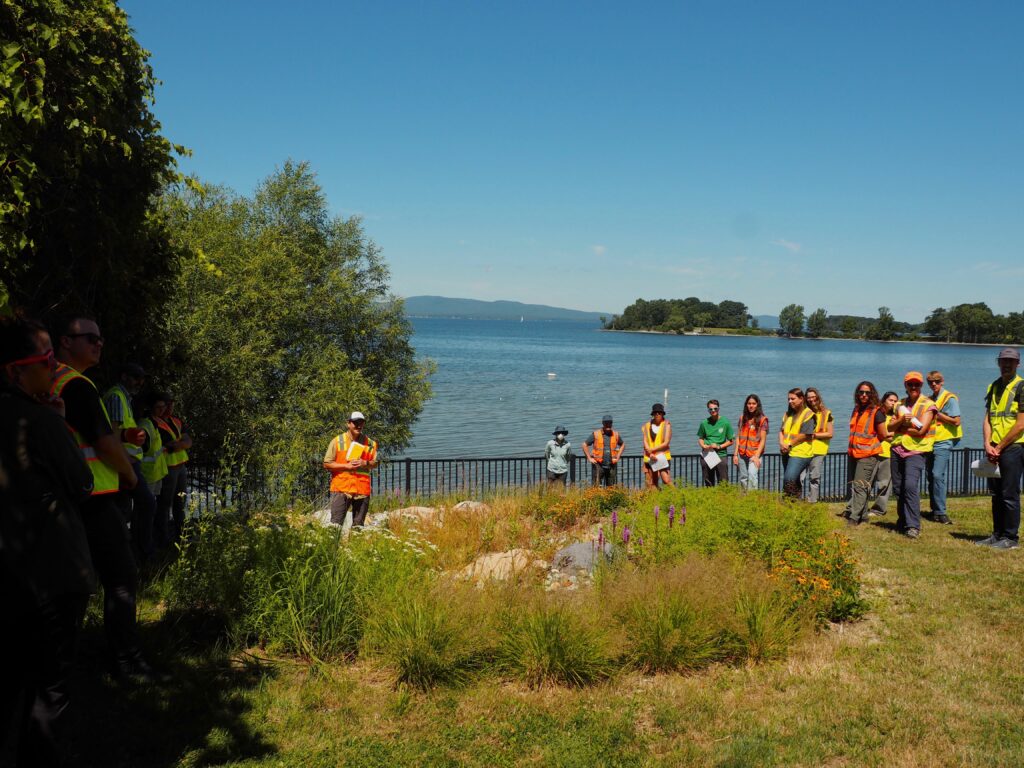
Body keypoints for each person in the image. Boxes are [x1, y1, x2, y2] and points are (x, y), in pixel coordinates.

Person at [0, 315, 96, 766]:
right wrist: (57, 423)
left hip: (10, 572)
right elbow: (82, 483)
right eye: (46, 359)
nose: (54, 366)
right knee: (49, 688)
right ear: (13, 371)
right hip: (53, 573)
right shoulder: (39, 421)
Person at [52, 316, 157, 681]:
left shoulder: (51, 380)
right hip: (93, 497)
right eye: (90, 338)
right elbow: (103, 441)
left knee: (74, 584)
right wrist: (129, 474)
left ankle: (63, 667)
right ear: (66, 341)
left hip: (69, 496)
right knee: (121, 576)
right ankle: (126, 661)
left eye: (100, 339)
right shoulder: (76, 385)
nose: (99, 344)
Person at [104, 363, 155, 560]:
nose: (140, 382)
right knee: (146, 503)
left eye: (142, 379)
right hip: (124, 464)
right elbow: (113, 437)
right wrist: (126, 468)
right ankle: (143, 552)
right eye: (136, 377)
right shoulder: (116, 397)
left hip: (126, 462)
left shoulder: (124, 397)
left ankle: (128, 554)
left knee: (124, 509)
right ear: (124, 376)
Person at [977, 348, 1024, 550]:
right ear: (998, 363)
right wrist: (987, 444)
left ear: (1017, 364)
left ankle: (1010, 537)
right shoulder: (994, 386)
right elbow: (988, 418)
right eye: (1003, 361)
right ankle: (997, 534)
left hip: (1014, 447)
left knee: (1009, 493)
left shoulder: (1021, 386)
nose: (1006, 364)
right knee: (996, 494)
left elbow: (1021, 424)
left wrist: (999, 446)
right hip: (994, 447)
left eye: (1010, 361)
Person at [889, 371, 937, 540]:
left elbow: (921, 430)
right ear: (906, 385)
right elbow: (889, 427)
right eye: (910, 384)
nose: (913, 387)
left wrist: (900, 427)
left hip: (916, 451)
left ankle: (913, 526)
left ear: (921, 385)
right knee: (898, 488)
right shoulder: (899, 404)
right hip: (897, 449)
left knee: (909, 486)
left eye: (916, 384)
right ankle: (902, 521)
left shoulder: (928, 404)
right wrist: (901, 422)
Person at [323, 411, 380, 527]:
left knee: (358, 526)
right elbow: (327, 464)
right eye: (355, 423)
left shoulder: (370, 443)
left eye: (361, 422)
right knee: (335, 525)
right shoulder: (337, 441)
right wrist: (346, 466)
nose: (359, 425)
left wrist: (365, 463)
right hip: (341, 489)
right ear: (348, 424)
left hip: (362, 490)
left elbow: (375, 463)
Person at [845, 381, 888, 525]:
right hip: (854, 453)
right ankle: (863, 515)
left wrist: (869, 446)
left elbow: (883, 435)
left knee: (860, 486)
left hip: (868, 455)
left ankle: (854, 517)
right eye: (861, 392)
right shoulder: (857, 409)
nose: (864, 395)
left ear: (872, 394)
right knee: (857, 485)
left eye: (867, 393)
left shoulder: (877, 412)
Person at [925, 370, 961, 525]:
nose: (934, 384)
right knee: (931, 476)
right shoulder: (929, 399)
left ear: (942, 381)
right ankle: (935, 510)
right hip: (931, 441)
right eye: (930, 382)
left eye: (937, 381)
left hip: (944, 441)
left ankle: (941, 512)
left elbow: (957, 421)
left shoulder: (949, 398)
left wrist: (938, 415)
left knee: (937, 475)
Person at [158, 395, 193, 543]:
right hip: (167, 467)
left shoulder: (176, 421)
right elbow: (167, 445)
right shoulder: (154, 422)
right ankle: (163, 537)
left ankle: (182, 535)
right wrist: (181, 444)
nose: (170, 407)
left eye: (172, 404)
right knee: (165, 503)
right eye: (168, 404)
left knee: (180, 501)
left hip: (180, 465)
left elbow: (188, 440)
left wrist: (179, 445)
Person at [779, 388, 815, 498]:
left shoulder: (808, 414)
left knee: (789, 478)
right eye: (788, 399)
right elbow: (781, 431)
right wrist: (782, 443)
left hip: (801, 453)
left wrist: (789, 444)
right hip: (786, 451)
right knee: (793, 479)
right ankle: (795, 502)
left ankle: (788, 501)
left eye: (793, 399)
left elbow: (805, 435)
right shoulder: (787, 414)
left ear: (801, 399)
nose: (790, 401)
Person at [867, 391, 898, 517]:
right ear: (884, 400)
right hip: (874, 451)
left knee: (884, 484)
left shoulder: (896, 417)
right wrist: (886, 434)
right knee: (867, 481)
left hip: (888, 453)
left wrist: (885, 435)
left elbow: (896, 435)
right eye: (891, 400)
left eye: (895, 401)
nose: (893, 403)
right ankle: (860, 506)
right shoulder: (877, 413)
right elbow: (877, 433)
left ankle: (879, 509)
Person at [137, 392, 170, 506]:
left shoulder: (153, 422)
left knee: (151, 507)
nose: (162, 410)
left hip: (155, 474)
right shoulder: (145, 425)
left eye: (163, 406)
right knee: (145, 508)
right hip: (147, 475)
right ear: (151, 407)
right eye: (158, 407)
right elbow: (140, 450)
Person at [803, 387, 834, 503]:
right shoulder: (804, 412)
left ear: (818, 397)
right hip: (804, 449)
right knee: (799, 477)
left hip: (818, 451)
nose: (811, 399)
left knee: (814, 478)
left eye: (813, 397)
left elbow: (830, 433)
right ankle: (796, 501)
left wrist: (813, 435)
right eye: (809, 397)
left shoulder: (826, 413)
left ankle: (812, 501)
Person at [733, 394, 768, 490]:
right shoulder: (742, 418)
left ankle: (753, 496)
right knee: (743, 478)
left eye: (753, 403)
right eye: (749, 403)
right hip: (741, 454)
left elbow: (763, 440)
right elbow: (738, 437)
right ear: (746, 405)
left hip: (754, 454)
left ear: (757, 405)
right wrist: (735, 455)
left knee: (752, 475)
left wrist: (757, 456)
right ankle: (744, 496)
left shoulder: (762, 420)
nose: (751, 406)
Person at [697, 399, 734, 487]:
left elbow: (731, 441)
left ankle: (723, 495)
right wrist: (703, 445)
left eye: (715, 408)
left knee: (723, 482)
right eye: (711, 409)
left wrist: (719, 446)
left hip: (721, 454)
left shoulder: (725, 422)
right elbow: (700, 438)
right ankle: (710, 495)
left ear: (718, 409)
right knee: (708, 481)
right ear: (708, 410)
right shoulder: (704, 423)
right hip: (707, 454)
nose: (713, 411)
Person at [583, 416, 624, 487]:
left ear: (612, 423)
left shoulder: (615, 434)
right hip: (598, 465)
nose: (608, 425)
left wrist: (618, 457)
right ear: (603, 423)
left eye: (610, 423)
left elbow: (623, 445)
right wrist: (589, 458)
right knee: (596, 486)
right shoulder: (596, 434)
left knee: (611, 487)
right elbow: (584, 445)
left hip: (611, 465)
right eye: (606, 423)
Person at [642, 403, 673, 488]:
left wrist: (652, 450)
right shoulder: (647, 425)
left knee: (666, 480)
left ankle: (679, 495)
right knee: (652, 482)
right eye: (655, 413)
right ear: (653, 414)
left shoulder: (666, 425)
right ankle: (656, 496)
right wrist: (650, 453)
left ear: (663, 414)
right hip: (650, 456)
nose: (657, 414)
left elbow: (666, 442)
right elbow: (645, 440)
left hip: (662, 456)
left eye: (659, 413)